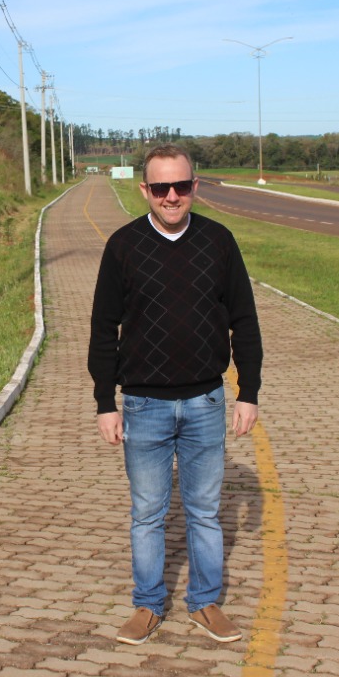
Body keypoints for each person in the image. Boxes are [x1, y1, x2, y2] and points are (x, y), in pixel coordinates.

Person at [87, 143, 262, 646]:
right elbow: (104, 329)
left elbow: (244, 322)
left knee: (204, 511)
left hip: (207, 403)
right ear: (144, 189)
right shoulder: (122, 246)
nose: (170, 196)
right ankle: (147, 606)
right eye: (160, 187)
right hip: (143, 405)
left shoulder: (219, 242)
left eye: (180, 186)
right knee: (148, 513)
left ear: (194, 187)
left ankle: (205, 603)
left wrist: (246, 391)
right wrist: (105, 402)